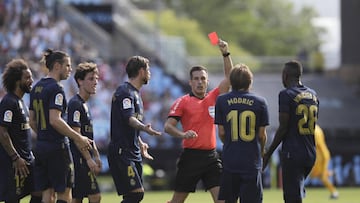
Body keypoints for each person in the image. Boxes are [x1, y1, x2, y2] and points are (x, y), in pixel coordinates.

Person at [164, 39, 233, 203]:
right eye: (196, 79)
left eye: (203, 78)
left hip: (211, 157)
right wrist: (183, 134)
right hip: (191, 158)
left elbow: (230, 78)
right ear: (190, 82)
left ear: (207, 81)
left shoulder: (214, 97)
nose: (200, 82)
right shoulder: (183, 101)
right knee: (177, 201)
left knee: (223, 200)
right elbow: (168, 127)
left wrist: (225, 53)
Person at [29, 49, 93, 203]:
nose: (70, 69)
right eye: (68, 66)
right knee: (65, 193)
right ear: (57, 66)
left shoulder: (36, 87)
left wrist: (44, 136)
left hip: (41, 147)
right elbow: (55, 120)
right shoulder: (57, 89)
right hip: (57, 148)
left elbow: (31, 120)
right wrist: (79, 137)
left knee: (48, 194)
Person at [263, 60, 320, 203]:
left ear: (285, 75)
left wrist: (268, 153)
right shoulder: (313, 95)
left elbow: (283, 128)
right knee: (297, 192)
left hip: (293, 153)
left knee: (292, 198)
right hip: (310, 153)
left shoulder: (286, 94)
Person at [107, 55, 162, 203]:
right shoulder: (125, 92)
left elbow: (127, 123)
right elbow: (129, 119)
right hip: (122, 152)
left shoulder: (135, 94)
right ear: (141, 71)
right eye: (148, 69)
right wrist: (144, 128)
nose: (149, 73)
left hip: (132, 150)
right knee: (136, 194)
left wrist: (139, 141)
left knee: (132, 196)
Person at [214, 64, 269, 203]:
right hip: (251, 160)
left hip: (230, 159)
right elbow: (262, 135)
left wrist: (229, 144)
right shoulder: (260, 102)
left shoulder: (221, 100)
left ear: (231, 82)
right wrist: (262, 151)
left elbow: (221, 132)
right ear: (250, 81)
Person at [0, 59, 42, 203]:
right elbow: (2, 132)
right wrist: (15, 157)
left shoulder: (21, 102)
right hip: (14, 164)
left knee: (39, 192)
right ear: (17, 81)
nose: (31, 80)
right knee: (13, 199)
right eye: (27, 78)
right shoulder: (8, 102)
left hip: (27, 160)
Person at [67, 62, 102, 203]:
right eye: (91, 79)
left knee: (77, 198)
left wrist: (97, 156)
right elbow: (77, 135)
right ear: (80, 81)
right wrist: (89, 159)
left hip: (83, 158)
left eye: (96, 79)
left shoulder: (84, 104)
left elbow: (87, 136)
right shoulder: (75, 104)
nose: (95, 82)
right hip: (78, 159)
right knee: (95, 196)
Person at [309, 124, 339, 199]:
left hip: (321, 156)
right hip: (322, 154)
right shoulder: (318, 128)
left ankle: (334, 192)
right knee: (316, 175)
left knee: (320, 176)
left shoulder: (314, 131)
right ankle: (331, 173)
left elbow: (316, 144)